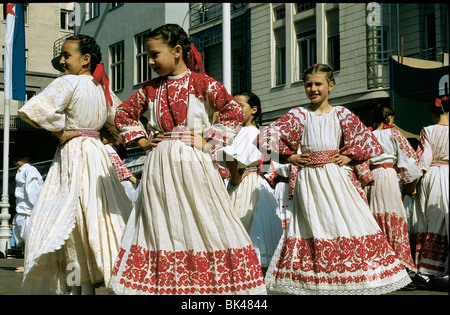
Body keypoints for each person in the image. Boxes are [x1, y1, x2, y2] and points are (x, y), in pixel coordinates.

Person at [109, 24, 266, 295]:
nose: (150, 61)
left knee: (206, 216)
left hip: (194, 162)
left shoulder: (202, 83)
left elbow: (232, 111)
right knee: (161, 221)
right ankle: (167, 286)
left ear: (177, 51)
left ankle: (207, 285)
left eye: (155, 54)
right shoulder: (150, 89)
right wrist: (143, 140)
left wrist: (208, 141)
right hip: (160, 164)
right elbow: (122, 114)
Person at [255, 64, 412, 295]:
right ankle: (320, 279)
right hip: (309, 180)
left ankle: (351, 276)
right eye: (308, 84)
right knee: (315, 225)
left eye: (318, 84)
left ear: (331, 85)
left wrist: (349, 156)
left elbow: (367, 141)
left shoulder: (342, 113)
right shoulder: (299, 114)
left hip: (336, 177)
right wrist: (290, 156)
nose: (313, 89)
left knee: (345, 220)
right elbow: (264, 137)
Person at [18, 35, 132, 295]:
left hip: (75, 153)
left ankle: (78, 288)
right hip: (98, 154)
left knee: (71, 218)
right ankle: (102, 274)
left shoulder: (68, 82)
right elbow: (121, 122)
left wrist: (59, 131)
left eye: (67, 55)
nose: (62, 61)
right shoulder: (102, 88)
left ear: (85, 59)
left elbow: (33, 109)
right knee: (97, 214)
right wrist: (112, 136)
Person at [217, 91, 282, 274]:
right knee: (255, 232)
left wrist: (236, 178)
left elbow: (230, 156)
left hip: (243, 184)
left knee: (239, 229)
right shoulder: (261, 133)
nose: (236, 111)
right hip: (257, 183)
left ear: (253, 109)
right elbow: (270, 166)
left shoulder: (247, 132)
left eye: (240, 106)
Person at [365, 104, 422, 275]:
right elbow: (410, 160)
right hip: (389, 175)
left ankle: (379, 262)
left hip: (372, 177)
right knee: (394, 215)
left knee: (375, 216)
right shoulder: (394, 133)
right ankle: (398, 261)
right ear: (388, 117)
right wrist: (408, 185)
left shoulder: (368, 135)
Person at [411, 95, 449, 289]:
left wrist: (413, 183)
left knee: (429, 220)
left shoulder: (428, 130)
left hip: (433, 175)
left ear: (434, 114)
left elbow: (423, 160)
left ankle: (427, 270)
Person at [11, 155, 44, 273]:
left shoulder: (30, 170)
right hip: (21, 209)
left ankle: (31, 265)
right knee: (20, 237)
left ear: (26, 159)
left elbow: (33, 191)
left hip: (29, 210)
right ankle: (27, 263)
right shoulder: (21, 171)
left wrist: (37, 207)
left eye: (17, 159)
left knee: (29, 238)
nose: (15, 162)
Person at [100, 126, 139, 203]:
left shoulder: (109, 148)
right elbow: (119, 167)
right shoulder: (107, 148)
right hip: (119, 182)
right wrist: (135, 181)